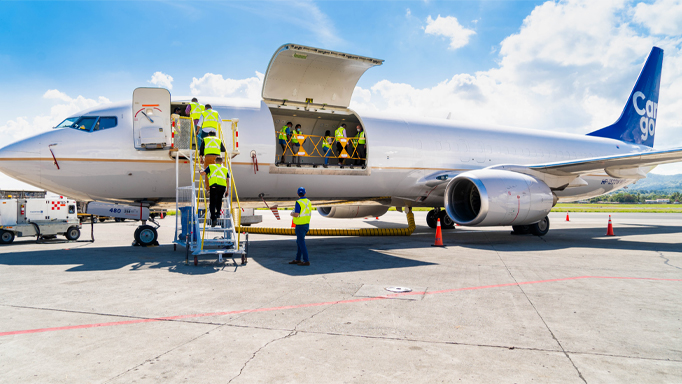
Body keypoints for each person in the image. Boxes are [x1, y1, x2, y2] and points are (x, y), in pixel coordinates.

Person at [200, 157, 230, 227]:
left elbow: (202, 173)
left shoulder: (211, 166)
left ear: (214, 161)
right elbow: (228, 180)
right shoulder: (225, 169)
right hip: (222, 187)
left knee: (212, 203)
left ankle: (213, 218)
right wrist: (227, 190)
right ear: (222, 162)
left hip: (214, 186)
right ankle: (218, 213)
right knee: (219, 201)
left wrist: (200, 171)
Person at [289, 187, 312, 266]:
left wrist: (291, 213)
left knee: (301, 243)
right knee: (299, 242)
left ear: (297, 194)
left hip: (300, 226)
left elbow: (296, 214)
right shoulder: (309, 202)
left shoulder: (298, 202)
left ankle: (306, 261)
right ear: (305, 193)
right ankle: (297, 259)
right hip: (306, 225)